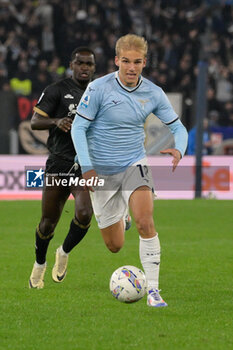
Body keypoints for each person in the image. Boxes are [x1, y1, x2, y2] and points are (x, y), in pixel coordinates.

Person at [71, 34, 188, 308]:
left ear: (144, 62)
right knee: (114, 246)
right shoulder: (99, 89)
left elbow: (178, 128)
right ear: (116, 61)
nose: (131, 67)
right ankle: (120, 216)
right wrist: (87, 168)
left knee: (146, 222)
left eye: (137, 62)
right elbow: (78, 127)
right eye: (126, 61)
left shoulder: (153, 93)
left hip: (134, 164)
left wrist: (179, 149)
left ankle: (154, 291)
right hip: (100, 172)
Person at [29, 47, 96, 289]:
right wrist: (56, 120)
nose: (85, 68)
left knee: (85, 214)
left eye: (89, 64)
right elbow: (35, 122)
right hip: (58, 163)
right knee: (48, 222)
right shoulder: (57, 90)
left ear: (94, 67)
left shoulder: (99, 92)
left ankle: (64, 251)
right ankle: (39, 263)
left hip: (85, 165)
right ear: (72, 64)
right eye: (80, 63)